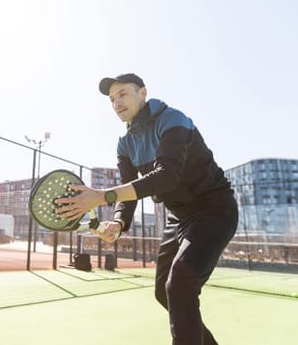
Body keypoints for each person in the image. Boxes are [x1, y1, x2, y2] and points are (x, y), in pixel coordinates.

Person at [55, 73, 238, 345]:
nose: (117, 102)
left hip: (214, 207)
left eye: (123, 94)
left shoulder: (173, 119)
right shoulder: (125, 144)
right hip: (179, 217)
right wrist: (118, 222)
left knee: (180, 284)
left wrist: (100, 197)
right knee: (164, 293)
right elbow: (128, 189)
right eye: (112, 99)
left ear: (142, 93)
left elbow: (167, 176)